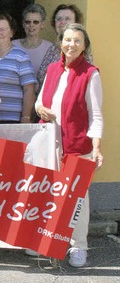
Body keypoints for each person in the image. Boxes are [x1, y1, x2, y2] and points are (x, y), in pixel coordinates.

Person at [35, 23, 103, 268]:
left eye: (77, 41)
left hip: (77, 147)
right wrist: (39, 108)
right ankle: (53, 242)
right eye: (67, 40)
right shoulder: (53, 69)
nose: (71, 44)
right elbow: (40, 102)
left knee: (77, 201)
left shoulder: (90, 73)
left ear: (84, 46)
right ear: (60, 42)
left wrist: (95, 147)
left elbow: (96, 116)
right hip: (50, 144)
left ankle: (79, 246)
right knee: (50, 197)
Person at [0, 13, 36, 123]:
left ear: (11, 32)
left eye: (2, 29)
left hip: (12, 121)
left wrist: (26, 117)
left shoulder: (21, 56)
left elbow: (29, 89)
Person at [36, 4, 92, 91]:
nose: (62, 22)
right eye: (59, 19)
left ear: (76, 23)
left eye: (67, 19)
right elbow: (41, 77)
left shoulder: (79, 49)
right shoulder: (53, 48)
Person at [12, 4, 52, 78]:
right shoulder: (12, 46)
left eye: (35, 22)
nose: (31, 25)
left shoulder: (50, 48)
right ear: (23, 24)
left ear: (42, 24)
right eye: (28, 22)